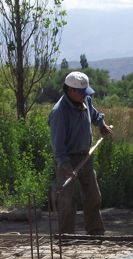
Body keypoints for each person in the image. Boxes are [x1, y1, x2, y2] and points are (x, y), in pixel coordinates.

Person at [48, 71, 112, 235]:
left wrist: (102, 124)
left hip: (86, 157)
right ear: (70, 91)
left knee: (93, 196)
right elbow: (58, 146)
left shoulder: (86, 100)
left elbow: (95, 115)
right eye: (82, 93)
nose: (85, 96)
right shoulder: (59, 113)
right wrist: (67, 166)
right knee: (67, 201)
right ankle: (66, 235)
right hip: (66, 161)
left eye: (86, 93)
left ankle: (95, 231)